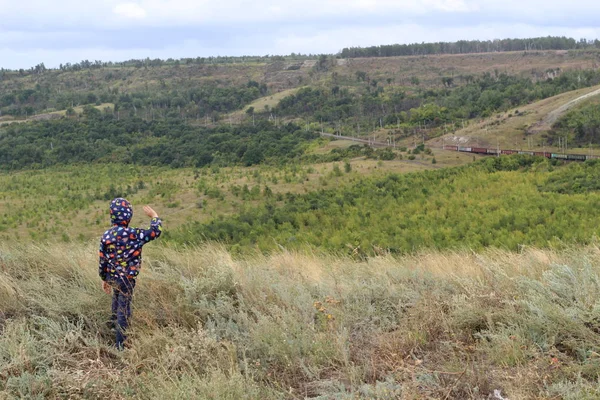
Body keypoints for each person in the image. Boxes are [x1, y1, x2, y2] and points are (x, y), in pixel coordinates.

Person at [98, 198, 162, 350]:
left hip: (113, 278)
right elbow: (155, 232)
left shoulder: (106, 236)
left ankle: (112, 330)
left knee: (116, 300)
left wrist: (104, 278)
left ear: (112, 215)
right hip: (127, 279)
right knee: (124, 309)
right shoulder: (135, 235)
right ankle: (121, 345)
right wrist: (154, 216)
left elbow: (103, 261)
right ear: (129, 216)